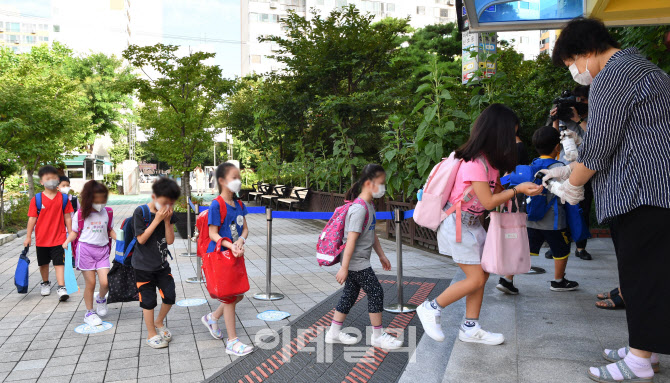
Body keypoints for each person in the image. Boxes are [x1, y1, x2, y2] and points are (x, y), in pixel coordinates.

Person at [545, 17, 670, 382]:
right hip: (655, 191)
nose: (575, 72)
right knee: (649, 277)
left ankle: (639, 362)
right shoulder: (642, 67)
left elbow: (598, 150)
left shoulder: (613, 76)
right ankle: (642, 348)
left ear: (584, 52)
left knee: (641, 277)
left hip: (642, 193)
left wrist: (572, 184)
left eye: (571, 64)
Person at [416, 104, 543, 345]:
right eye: (512, 135)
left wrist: (517, 188)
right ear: (498, 133)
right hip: (457, 224)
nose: (515, 141)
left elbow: (494, 194)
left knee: (482, 276)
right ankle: (431, 307)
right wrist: (517, 190)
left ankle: (470, 327)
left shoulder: (490, 162)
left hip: (472, 224)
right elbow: (488, 201)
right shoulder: (474, 162)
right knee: (475, 278)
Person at [324, 164, 402, 350]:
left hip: (355, 262)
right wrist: (344, 267)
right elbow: (350, 240)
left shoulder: (369, 205)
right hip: (356, 263)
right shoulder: (359, 209)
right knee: (376, 292)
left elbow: (371, 232)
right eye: (381, 183)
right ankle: (377, 336)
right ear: (369, 183)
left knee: (350, 294)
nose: (383, 188)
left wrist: (381, 255)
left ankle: (333, 333)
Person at [496, 126, 579, 295]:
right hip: (553, 222)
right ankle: (558, 281)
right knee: (561, 250)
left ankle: (507, 279)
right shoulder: (560, 168)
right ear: (558, 147)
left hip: (530, 219)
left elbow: (505, 180)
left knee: (522, 249)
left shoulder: (530, 166)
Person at [200, 163, 254, 356]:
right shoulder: (217, 204)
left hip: (236, 254)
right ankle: (232, 342)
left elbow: (245, 229)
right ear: (222, 181)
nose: (237, 181)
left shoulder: (239, 204)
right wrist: (230, 245)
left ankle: (212, 317)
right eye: (233, 177)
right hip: (222, 256)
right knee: (231, 297)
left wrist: (239, 241)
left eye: (238, 177)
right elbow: (212, 233)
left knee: (238, 294)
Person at [132, 178, 180, 349]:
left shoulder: (169, 214)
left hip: (161, 265)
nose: (167, 205)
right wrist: (157, 220)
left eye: (170, 202)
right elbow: (141, 239)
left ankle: (159, 322)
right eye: (164, 201)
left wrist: (167, 221)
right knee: (148, 301)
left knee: (170, 295)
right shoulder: (140, 212)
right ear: (154, 196)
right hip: (142, 266)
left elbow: (170, 241)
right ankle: (151, 333)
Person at [63, 180, 116, 326]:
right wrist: (67, 241)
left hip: (103, 250)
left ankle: (100, 298)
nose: (100, 203)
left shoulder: (108, 212)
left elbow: (110, 230)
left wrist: (121, 239)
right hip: (85, 250)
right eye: (97, 200)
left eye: (103, 199)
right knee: (90, 283)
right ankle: (89, 312)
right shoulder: (80, 214)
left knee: (106, 282)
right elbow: (75, 232)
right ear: (89, 199)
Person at [25, 165, 74, 301]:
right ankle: (45, 283)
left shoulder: (63, 199)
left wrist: (70, 233)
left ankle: (61, 287)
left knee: (59, 263)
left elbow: (68, 216)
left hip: (59, 238)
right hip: (42, 239)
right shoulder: (37, 199)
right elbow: (32, 218)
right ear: (41, 182)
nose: (51, 181)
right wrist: (28, 236)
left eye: (54, 178)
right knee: (43, 263)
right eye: (48, 178)